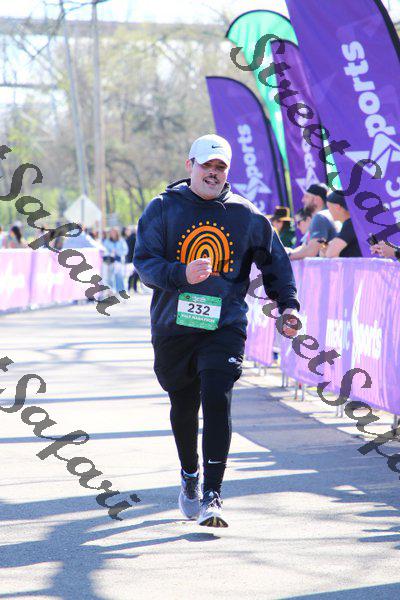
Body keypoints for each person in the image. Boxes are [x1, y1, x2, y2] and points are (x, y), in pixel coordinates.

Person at [134, 134, 300, 528]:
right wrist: (181, 273)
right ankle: (189, 475)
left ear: (228, 171)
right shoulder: (163, 208)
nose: (213, 173)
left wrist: (289, 305)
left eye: (220, 167)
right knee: (184, 406)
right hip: (173, 326)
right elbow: (144, 263)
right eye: (206, 165)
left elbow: (276, 262)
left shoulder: (246, 215)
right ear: (190, 165)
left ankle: (213, 493)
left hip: (224, 324)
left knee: (217, 397)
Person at [287, 183, 337, 260]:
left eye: (306, 196)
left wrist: (287, 257)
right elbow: (306, 247)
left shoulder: (320, 217)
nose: (302, 200)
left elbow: (311, 251)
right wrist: (289, 252)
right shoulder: (325, 215)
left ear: (317, 200)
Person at [319, 191, 362, 258]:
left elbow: (330, 253)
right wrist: (325, 246)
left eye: (329, 207)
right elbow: (323, 253)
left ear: (337, 207)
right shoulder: (351, 223)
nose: (328, 211)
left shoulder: (351, 224)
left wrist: (327, 247)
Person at [103, 227, 128, 292]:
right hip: (110, 261)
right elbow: (104, 250)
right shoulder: (107, 241)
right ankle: (111, 292)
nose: (112, 233)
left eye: (114, 232)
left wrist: (118, 252)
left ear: (117, 233)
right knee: (110, 277)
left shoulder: (121, 241)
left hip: (119, 261)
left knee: (120, 277)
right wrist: (110, 253)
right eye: (111, 232)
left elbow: (125, 251)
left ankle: (121, 291)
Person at [126, 226, 141, 293]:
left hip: (130, 259)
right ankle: (134, 288)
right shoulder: (136, 238)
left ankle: (130, 288)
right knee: (134, 275)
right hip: (134, 259)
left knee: (131, 275)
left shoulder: (129, 238)